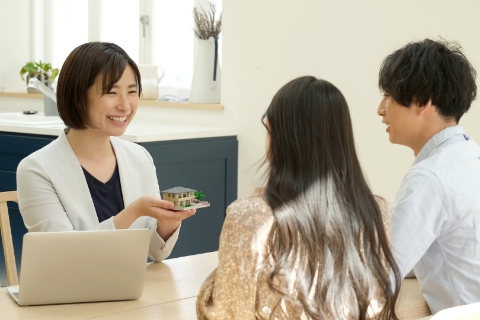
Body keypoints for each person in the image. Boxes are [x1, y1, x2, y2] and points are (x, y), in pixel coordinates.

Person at [197, 76, 400, 319]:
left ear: (272, 130)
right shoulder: (375, 210)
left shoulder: (250, 217)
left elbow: (225, 311)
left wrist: (254, 208)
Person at [16, 42, 195, 262]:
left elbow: (156, 253)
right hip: (70, 294)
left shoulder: (139, 157)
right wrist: (134, 212)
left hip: (130, 289)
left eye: (132, 92)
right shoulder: (36, 170)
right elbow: (65, 258)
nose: (125, 106)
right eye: (111, 92)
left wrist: (169, 221)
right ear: (79, 97)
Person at [377, 39, 479, 313]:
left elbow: (382, 273)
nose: (381, 109)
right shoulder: (471, 157)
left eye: (388, 95)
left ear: (421, 101)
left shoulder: (430, 177)